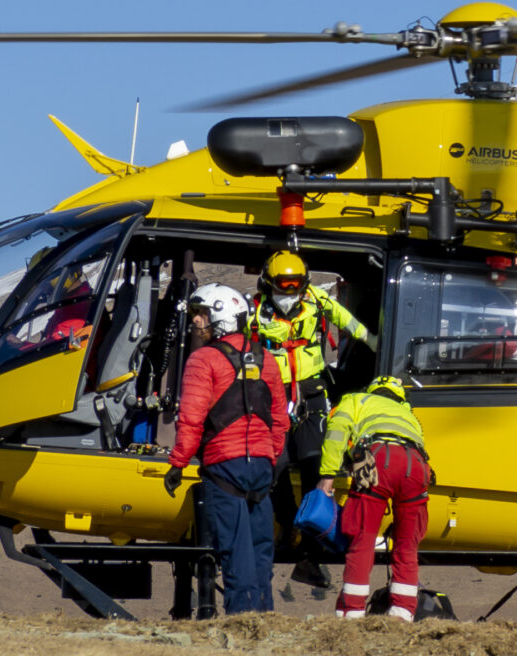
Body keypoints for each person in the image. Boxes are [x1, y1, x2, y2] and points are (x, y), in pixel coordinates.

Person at [165, 284, 287, 614]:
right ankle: (264, 620)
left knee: (236, 551)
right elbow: (279, 418)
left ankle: (243, 622)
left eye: (202, 314)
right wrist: (270, 456)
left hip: (224, 468)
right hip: (261, 467)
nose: (196, 322)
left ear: (221, 318)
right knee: (261, 550)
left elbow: (191, 419)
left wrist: (177, 464)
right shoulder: (267, 359)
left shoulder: (202, 360)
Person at [248, 251, 375, 526]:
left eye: (296, 284)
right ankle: (285, 520)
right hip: (273, 394)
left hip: (312, 393)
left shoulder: (317, 301)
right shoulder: (254, 313)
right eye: (284, 284)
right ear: (269, 283)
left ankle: (309, 530)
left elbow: (347, 321)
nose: (290, 290)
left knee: (312, 462)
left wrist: (373, 342)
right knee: (276, 465)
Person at [317, 376, 433, 620]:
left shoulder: (356, 399)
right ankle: (401, 615)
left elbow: (337, 433)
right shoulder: (409, 414)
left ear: (372, 390)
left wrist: (328, 475)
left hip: (380, 459)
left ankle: (352, 613)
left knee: (363, 538)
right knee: (407, 544)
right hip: (417, 466)